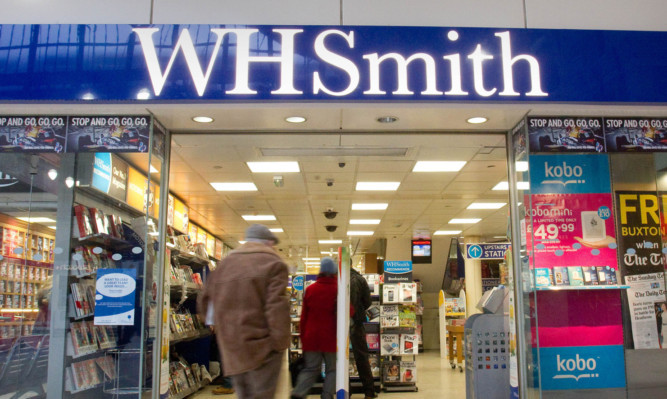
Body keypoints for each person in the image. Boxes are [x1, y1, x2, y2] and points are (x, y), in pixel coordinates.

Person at [198, 224, 290, 399]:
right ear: (269, 243)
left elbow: (204, 301)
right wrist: (280, 344)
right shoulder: (274, 264)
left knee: (244, 395)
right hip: (262, 349)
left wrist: (223, 331)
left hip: (232, 348)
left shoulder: (225, 264)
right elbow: (276, 308)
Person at [290, 257, 338, 399]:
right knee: (332, 370)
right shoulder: (338, 289)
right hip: (331, 338)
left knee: (310, 368)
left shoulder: (310, 289)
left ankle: (298, 394)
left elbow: (303, 317)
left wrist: (303, 338)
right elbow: (349, 311)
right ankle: (327, 396)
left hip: (311, 337)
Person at [349, 267, 377, 399]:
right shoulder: (360, 279)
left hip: (340, 324)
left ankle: (345, 390)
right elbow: (368, 302)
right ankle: (369, 391)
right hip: (357, 322)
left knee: (340, 358)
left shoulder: (337, 279)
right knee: (361, 357)